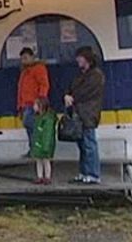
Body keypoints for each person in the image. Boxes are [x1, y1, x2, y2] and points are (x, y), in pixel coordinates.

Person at [64, 46, 105, 184]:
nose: (77, 60)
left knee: (89, 144)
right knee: (82, 145)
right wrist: (67, 94)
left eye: (79, 57)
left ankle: (93, 174)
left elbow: (86, 92)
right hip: (80, 114)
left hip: (88, 114)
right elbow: (71, 87)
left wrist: (71, 97)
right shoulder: (82, 75)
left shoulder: (96, 75)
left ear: (87, 58)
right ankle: (84, 172)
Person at [17, 47, 50, 156]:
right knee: (29, 128)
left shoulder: (39, 69)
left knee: (32, 126)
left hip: (34, 104)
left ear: (32, 57)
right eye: (22, 59)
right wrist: (20, 106)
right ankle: (34, 149)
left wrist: (40, 101)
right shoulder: (24, 72)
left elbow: (44, 85)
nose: (23, 61)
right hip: (25, 105)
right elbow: (20, 90)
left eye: (26, 58)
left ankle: (37, 148)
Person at [30, 97, 57, 185]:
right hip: (39, 144)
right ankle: (40, 176)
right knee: (39, 160)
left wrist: (45, 146)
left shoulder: (47, 120)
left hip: (44, 145)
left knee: (45, 161)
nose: (33, 107)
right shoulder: (39, 118)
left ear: (40, 106)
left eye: (35, 105)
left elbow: (47, 134)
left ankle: (47, 177)